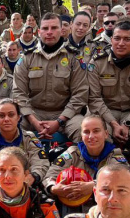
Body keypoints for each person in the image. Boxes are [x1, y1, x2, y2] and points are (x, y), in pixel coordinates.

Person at [12, 13, 88, 142]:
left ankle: (77, 160)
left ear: (62, 30)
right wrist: (33, 121)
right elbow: (18, 92)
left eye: (54, 28)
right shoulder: (27, 58)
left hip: (65, 114)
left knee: (84, 131)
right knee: (5, 126)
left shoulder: (74, 58)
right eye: (45, 29)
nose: (49, 32)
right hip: (32, 113)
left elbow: (80, 94)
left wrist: (59, 121)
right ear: (39, 31)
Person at [87, 19, 130, 150]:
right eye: (117, 38)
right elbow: (94, 99)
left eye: (127, 39)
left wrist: (127, 124)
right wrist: (113, 124)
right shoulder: (97, 62)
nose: (121, 43)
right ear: (111, 40)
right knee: (100, 137)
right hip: (105, 113)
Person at [45, 115, 129, 215]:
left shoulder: (115, 156)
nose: (91, 136)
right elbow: (49, 176)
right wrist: (54, 188)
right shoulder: (72, 154)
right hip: (74, 208)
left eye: (96, 131)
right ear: (81, 135)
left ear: (106, 134)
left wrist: (94, 186)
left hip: (106, 210)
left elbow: (124, 178)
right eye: (86, 132)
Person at [0, 99, 49, 190]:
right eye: (1, 116)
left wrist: (31, 177)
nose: (6, 119)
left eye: (11, 115)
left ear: (19, 117)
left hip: (26, 187)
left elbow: (41, 162)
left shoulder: (29, 138)